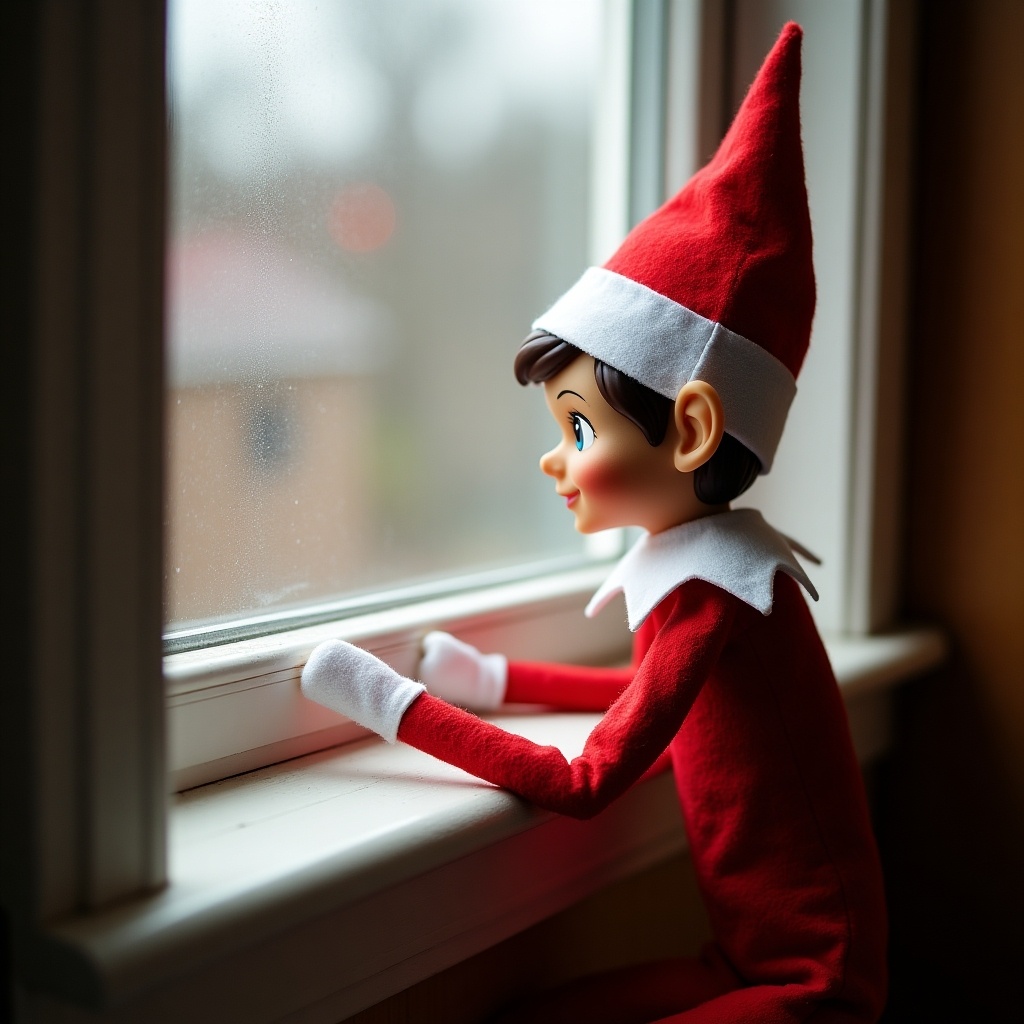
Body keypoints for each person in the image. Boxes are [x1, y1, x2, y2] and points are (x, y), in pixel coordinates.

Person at [301, 23, 887, 1022]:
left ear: (693, 429)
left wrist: (394, 702)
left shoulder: (719, 594)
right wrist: (497, 679)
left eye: (579, 428)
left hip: (809, 994)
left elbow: (585, 780)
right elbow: (653, 699)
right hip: (738, 965)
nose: (556, 461)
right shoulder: (713, 578)